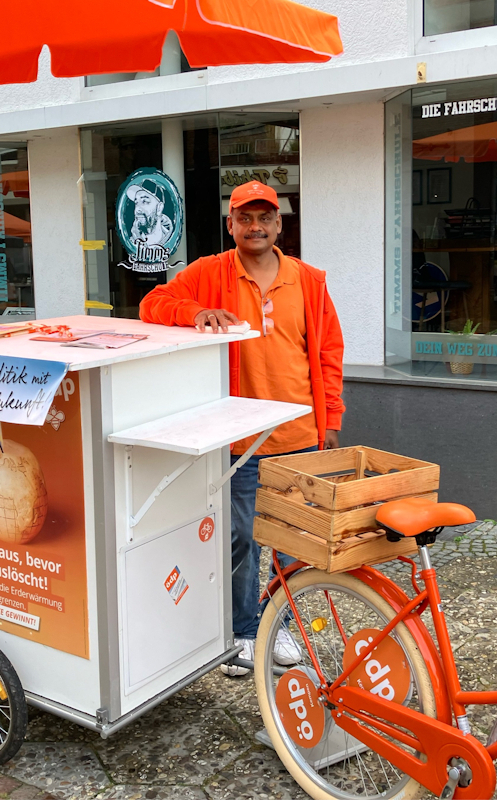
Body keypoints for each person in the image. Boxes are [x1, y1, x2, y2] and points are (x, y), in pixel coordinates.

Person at [140, 180, 345, 676]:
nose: (255, 227)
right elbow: (153, 305)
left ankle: (281, 625)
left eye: (264, 218)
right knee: (240, 539)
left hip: (300, 435)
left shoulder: (310, 280)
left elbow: (328, 354)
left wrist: (331, 419)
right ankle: (242, 632)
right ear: (230, 225)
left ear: (279, 224)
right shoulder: (210, 273)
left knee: (294, 541)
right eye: (244, 218)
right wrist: (195, 312)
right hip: (241, 438)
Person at [126, 180, 175, 248]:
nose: (137, 209)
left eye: (145, 201)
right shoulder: (132, 242)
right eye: (136, 203)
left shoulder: (172, 239)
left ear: (159, 208)